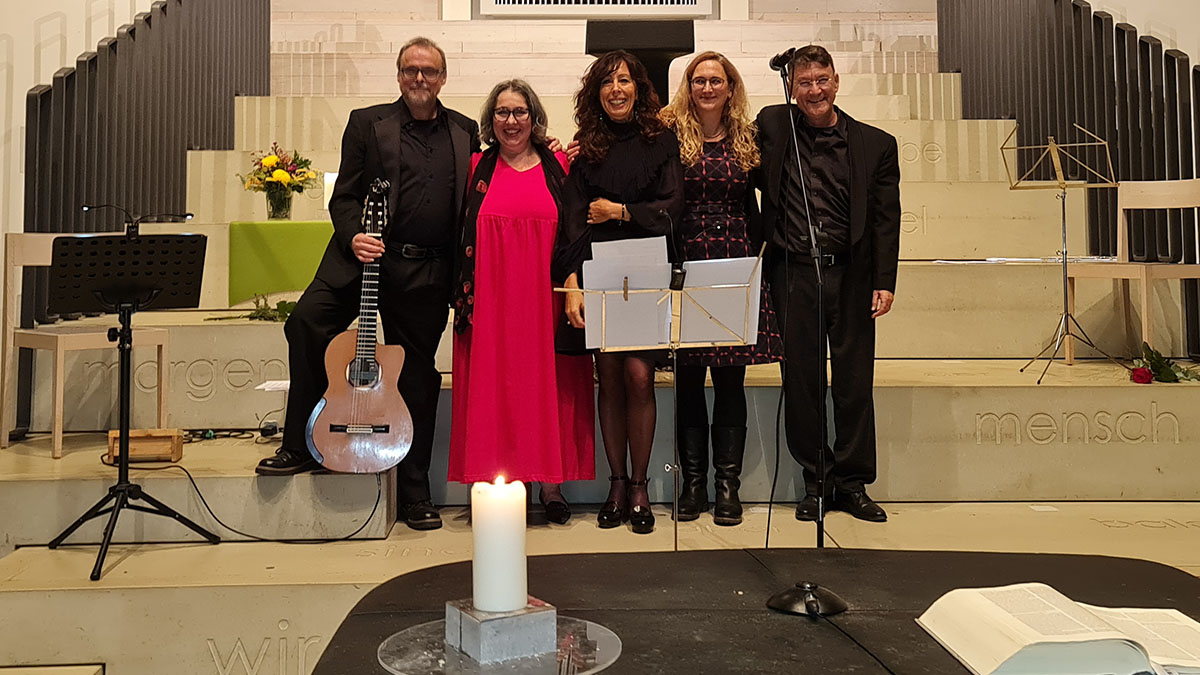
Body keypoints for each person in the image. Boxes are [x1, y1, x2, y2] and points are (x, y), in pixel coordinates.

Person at [255, 37, 480, 533]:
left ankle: (415, 492)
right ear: (398, 75)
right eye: (410, 70)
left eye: (428, 71)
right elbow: (344, 197)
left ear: (443, 78)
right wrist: (354, 234)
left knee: (416, 374)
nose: (419, 78)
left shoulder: (465, 130)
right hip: (359, 260)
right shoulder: (366, 122)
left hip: (425, 272)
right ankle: (301, 444)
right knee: (306, 324)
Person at [755, 45, 900, 523]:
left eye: (822, 80)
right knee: (802, 383)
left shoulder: (876, 144)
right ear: (792, 87)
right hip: (794, 272)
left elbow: (885, 221)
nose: (814, 90)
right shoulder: (773, 125)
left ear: (836, 81)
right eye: (804, 82)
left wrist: (884, 280)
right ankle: (816, 482)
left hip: (852, 275)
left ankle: (852, 484)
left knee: (854, 384)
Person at [447, 79, 595, 524]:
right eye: (502, 113)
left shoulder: (559, 165)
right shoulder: (476, 168)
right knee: (497, 390)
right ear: (490, 120)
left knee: (547, 388)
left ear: (534, 117)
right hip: (491, 301)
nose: (511, 121)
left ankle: (551, 485)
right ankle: (501, 482)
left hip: (545, 300)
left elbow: (576, 230)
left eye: (519, 112)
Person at [553, 50, 684, 535]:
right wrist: (572, 283)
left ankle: (641, 487)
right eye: (607, 83)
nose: (616, 90)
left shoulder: (661, 140)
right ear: (596, 94)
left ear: (638, 88)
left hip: (646, 269)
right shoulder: (586, 148)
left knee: (639, 377)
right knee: (608, 377)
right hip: (599, 271)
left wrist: (621, 212)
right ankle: (616, 484)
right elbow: (572, 220)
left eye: (624, 81)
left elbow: (674, 206)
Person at [660, 52, 783, 526]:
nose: (707, 88)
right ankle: (692, 484)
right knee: (689, 380)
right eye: (699, 80)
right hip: (686, 261)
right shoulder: (670, 136)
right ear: (688, 87)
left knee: (731, 380)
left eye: (716, 80)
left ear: (730, 87)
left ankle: (727, 485)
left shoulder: (748, 138)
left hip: (735, 261)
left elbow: (767, 199)